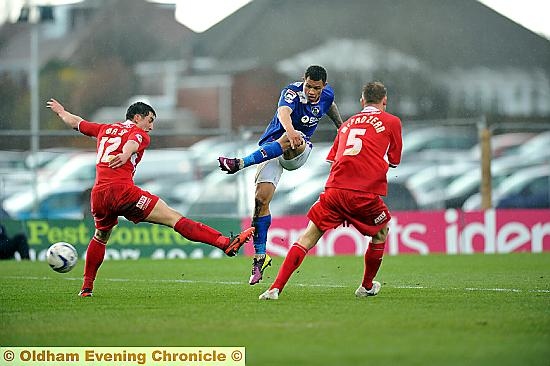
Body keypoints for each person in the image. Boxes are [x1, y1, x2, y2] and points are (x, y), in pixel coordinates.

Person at [47, 98, 255, 297]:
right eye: (150, 120)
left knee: (101, 236)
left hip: (99, 194)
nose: (151, 127)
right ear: (137, 117)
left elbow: (76, 122)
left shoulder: (104, 129)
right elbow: (133, 142)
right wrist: (126, 154)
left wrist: (61, 112)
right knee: (174, 218)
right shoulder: (139, 133)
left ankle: (86, 287)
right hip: (123, 192)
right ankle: (225, 243)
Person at [259, 81, 402, 300]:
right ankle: (365, 286)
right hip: (363, 193)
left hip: (334, 189)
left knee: (308, 236)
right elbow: (394, 160)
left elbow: (333, 159)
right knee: (381, 232)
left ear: (362, 101)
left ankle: (274, 288)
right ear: (385, 101)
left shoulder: (347, 125)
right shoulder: (392, 121)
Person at [217, 65, 343, 285]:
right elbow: (283, 112)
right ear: (302, 80)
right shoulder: (291, 92)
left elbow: (329, 104)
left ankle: (240, 163)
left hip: (299, 149)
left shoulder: (327, 94)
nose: (311, 92)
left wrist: (340, 126)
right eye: (308, 86)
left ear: (324, 85)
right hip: (272, 148)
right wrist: (291, 130)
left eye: (316, 88)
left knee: (288, 138)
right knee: (260, 200)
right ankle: (259, 258)